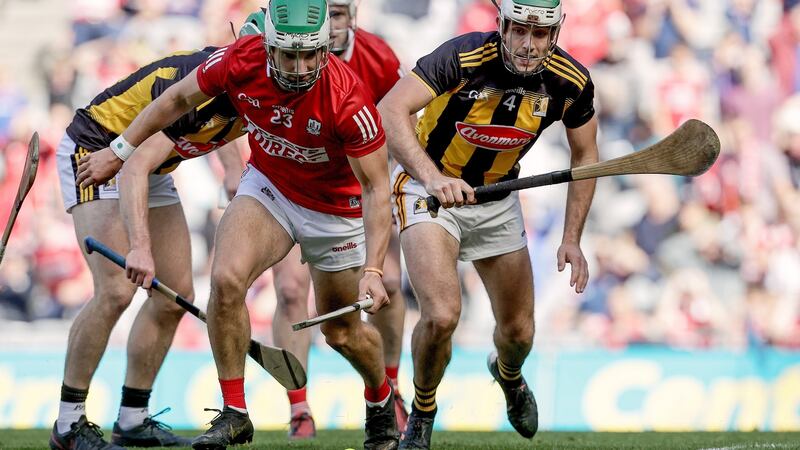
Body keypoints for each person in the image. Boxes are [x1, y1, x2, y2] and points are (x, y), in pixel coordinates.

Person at [114, 0, 399, 448]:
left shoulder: (349, 98)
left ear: (325, 49)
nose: (300, 66)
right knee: (226, 280)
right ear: (268, 47)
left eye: (310, 54)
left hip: (336, 209)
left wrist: (374, 270)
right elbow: (175, 99)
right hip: (272, 185)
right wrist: (119, 150)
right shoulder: (241, 58)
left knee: (341, 332)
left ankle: (380, 401)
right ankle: (235, 412)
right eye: (288, 54)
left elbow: (377, 189)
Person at [377, 0, 598, 448]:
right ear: (502, 25)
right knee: (441, 315)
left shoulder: (570, 81)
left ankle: (509, 374)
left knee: (519, 332)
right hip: (428, 189)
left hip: (497, 197)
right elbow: (389, 111)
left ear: (555, 33)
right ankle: (422, 412)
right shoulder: (461, 57)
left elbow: (585, 156)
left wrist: (571, 239)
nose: (527, 44)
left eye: (539, 34)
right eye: (518, 30)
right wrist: (433, 177)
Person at [51, 48, 246, 450]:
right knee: (116, 291)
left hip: (152, 164)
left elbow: (227, 117)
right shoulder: (200, 85)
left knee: (174, 297)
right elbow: (133, 166)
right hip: (99, 150)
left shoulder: (257, 84)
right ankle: (68, 424)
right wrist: (139, 246)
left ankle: (133, 418)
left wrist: (230, 170)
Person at [238, 1, 409, 439]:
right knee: (291, 289)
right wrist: (227, 173)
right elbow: (222, 110)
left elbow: (404, 121)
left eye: (337, 13)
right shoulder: (268, 53)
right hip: (284, 181)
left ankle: (390, 387)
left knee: (384, 286)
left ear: (353, 14)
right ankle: (299, 408)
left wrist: (421, 177)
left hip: (351, 193)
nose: (329, 27)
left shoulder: (379, 58)